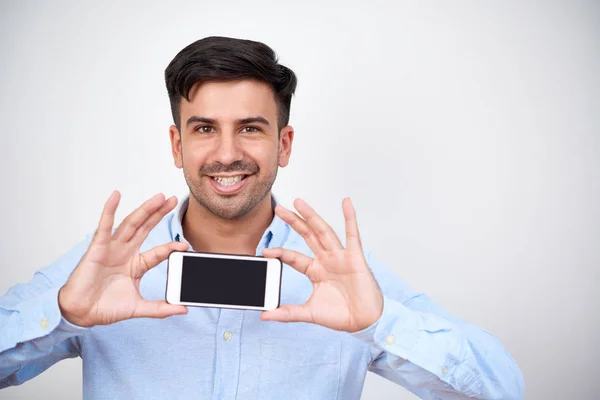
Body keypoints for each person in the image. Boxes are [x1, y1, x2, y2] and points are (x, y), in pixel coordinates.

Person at [0, 36, 524, 400]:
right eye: (204, 129)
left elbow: (503, 389)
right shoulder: (105, 269)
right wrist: (61, 315)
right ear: (177, 145)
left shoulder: (342, 279)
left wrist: (379, 324)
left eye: (250, 128)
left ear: (284, 143)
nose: (227, 154)